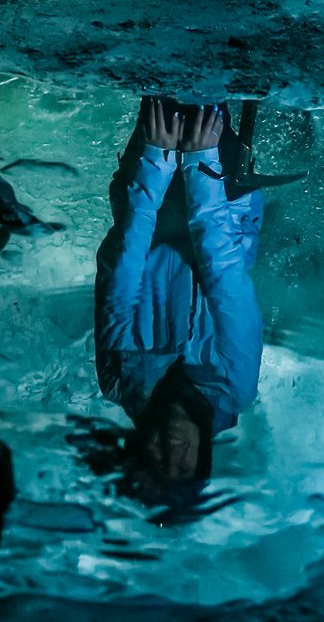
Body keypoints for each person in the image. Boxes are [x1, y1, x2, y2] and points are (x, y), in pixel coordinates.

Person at [93, 95, 264, 489]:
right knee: (209, 101)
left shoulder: (119, 381)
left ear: (136, 451)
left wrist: (157, 161)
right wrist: (200, 166)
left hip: (146, 201)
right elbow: (226, 279)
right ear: (203, 459)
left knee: (163, 92)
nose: (171, 453)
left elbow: (120, 271)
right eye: (183, 467)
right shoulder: (235, 385)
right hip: (222, 206)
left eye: (155, 464)